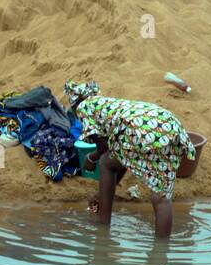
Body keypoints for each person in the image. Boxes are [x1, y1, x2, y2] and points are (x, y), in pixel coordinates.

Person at [65, 81, 194, 240]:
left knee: (105, 162)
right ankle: (161, 253)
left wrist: (92, 157)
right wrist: (101, 194)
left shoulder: (84, 106)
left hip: (141, 130)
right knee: (161, 197)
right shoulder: (108, 103)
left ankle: (103, 223)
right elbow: (121, 158)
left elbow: (104, 147)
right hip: (169, 126)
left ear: (75, 103)